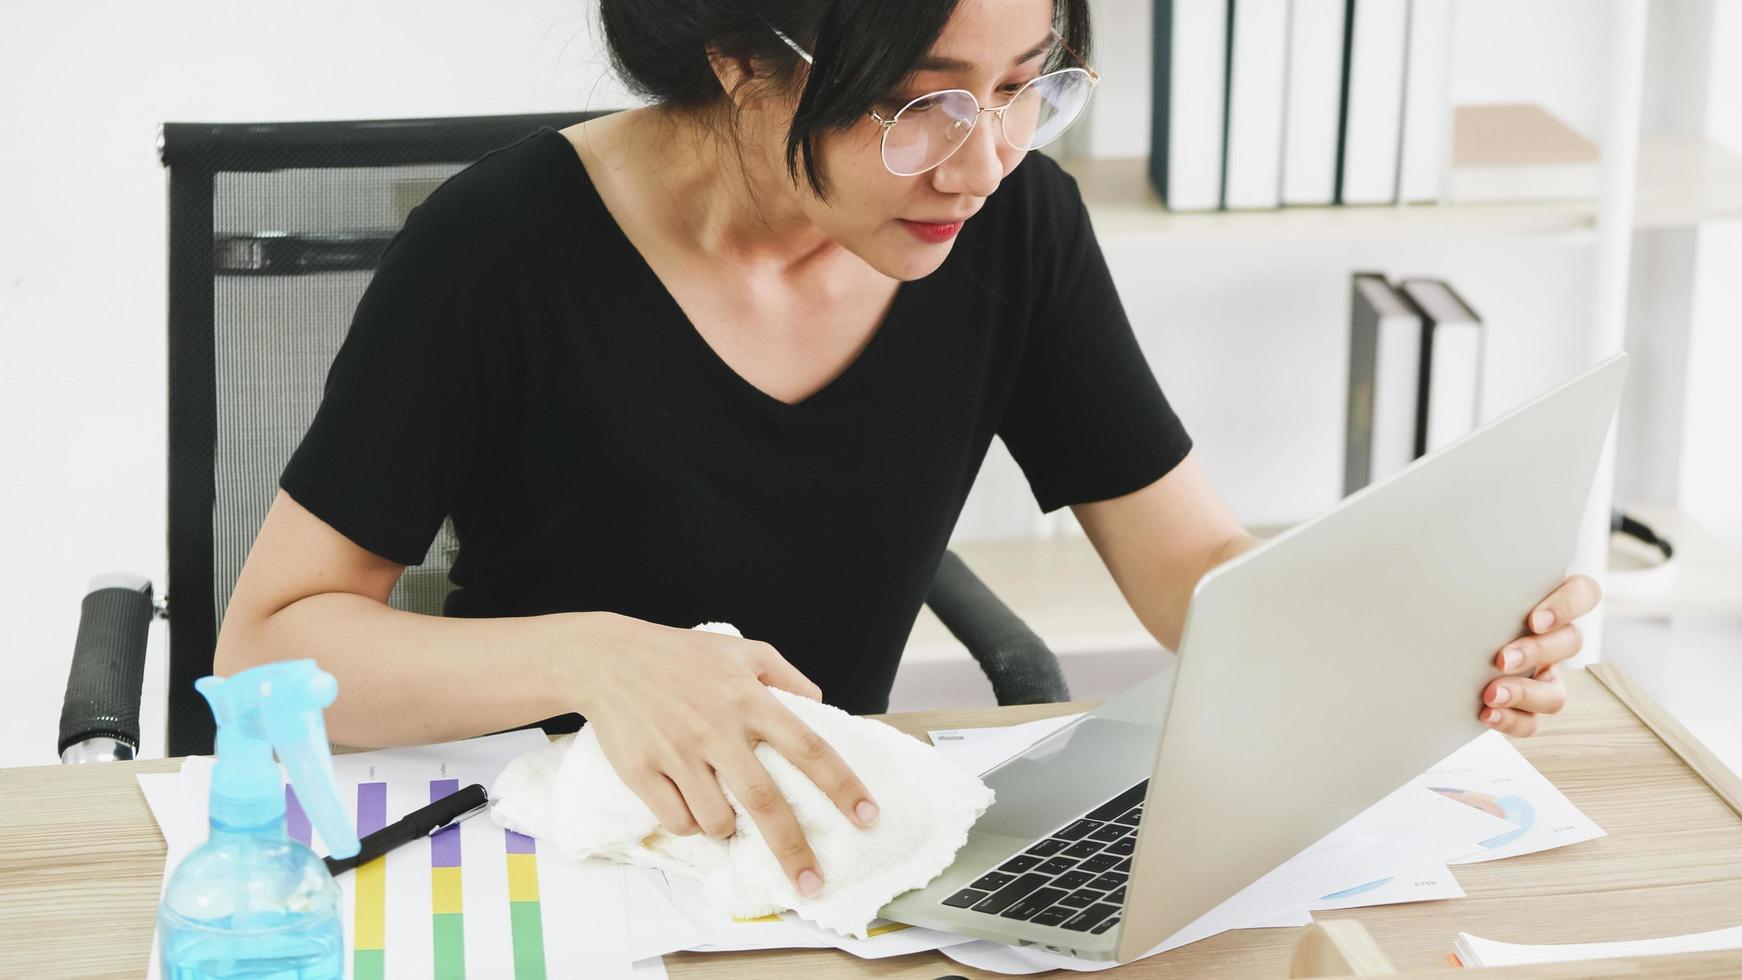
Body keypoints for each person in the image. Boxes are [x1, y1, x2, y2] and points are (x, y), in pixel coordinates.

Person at [214, 0, 1602, 903]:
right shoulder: (498, 249)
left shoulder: (1016, 229)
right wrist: (595, 654)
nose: (980, 160)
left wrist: (1431, 629)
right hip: (551, 861)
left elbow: (1196, 567)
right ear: (744, 62)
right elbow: (266, 650)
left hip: (837, 870)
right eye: (923, 104)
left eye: (1022, 88)